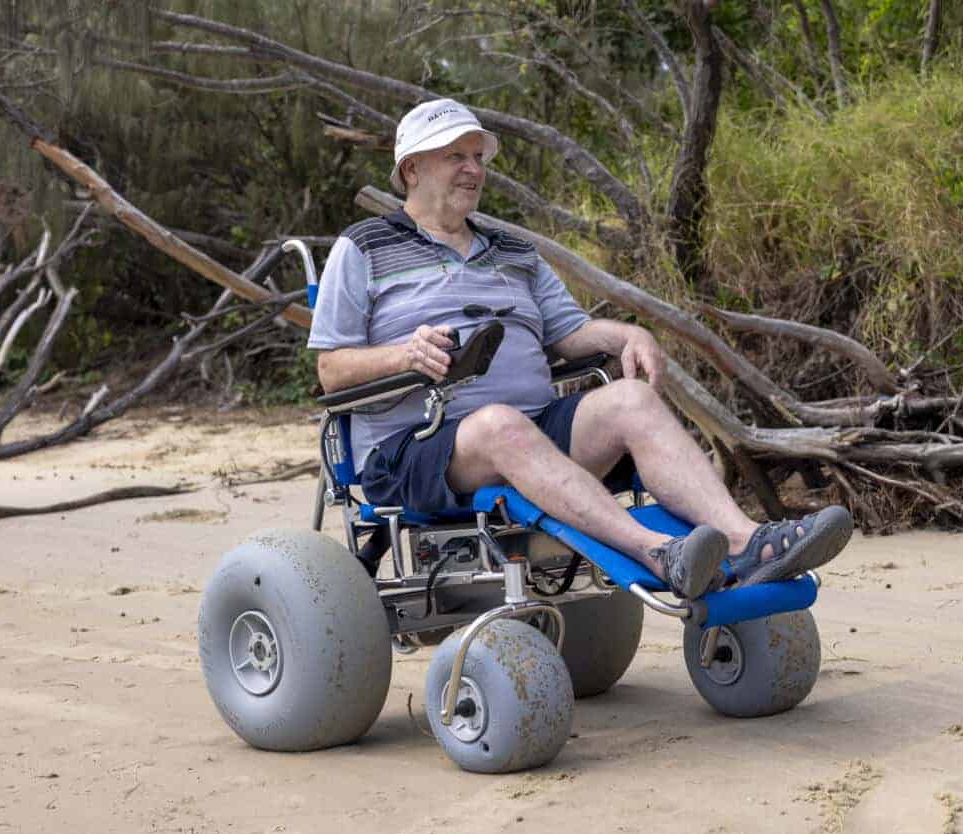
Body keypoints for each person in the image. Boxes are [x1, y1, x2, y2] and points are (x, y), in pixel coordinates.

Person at [308, 98, 852, 600]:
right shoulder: (364, 247)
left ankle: (747, 543)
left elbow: (569, 333)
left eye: (478, 157)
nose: (474, 169)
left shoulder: (514, 251)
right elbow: (330, 369)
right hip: (418, 451)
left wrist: (627, 335)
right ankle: (657, 552)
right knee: (499, 425)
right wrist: (404, 355)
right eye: (456, 156)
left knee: (632, 400)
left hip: (534, 430)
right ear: (411, 170)